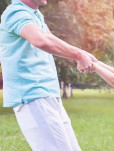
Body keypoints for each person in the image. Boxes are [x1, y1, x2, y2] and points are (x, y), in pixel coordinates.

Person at [0, 0, 96, 150]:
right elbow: (40, 40)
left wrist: (80, 54)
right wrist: (78, 54)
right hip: (32, 96)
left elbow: (51, 40)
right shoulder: (16, 13)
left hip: (48, 95)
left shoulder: (35, 15)